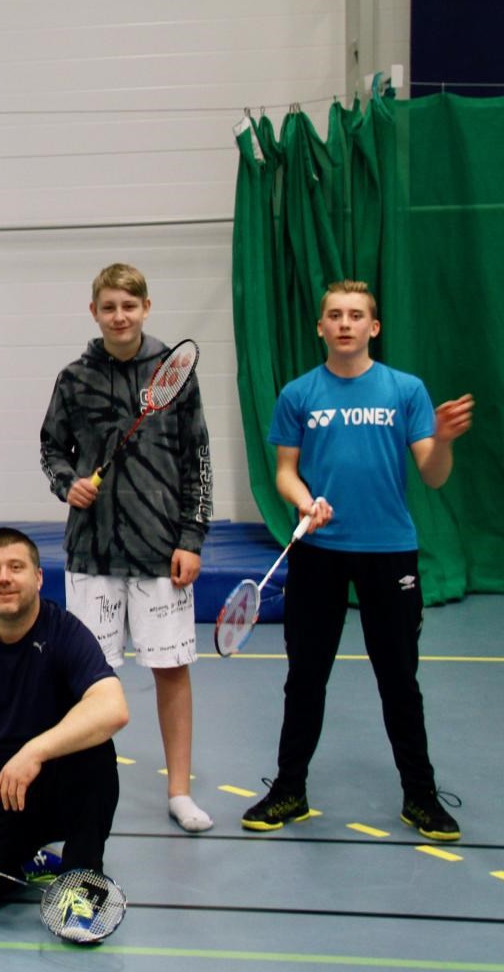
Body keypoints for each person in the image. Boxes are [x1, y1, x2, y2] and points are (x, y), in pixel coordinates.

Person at [241, 280, 473, 840]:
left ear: (374, 327)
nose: (344, 323)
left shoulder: (405, 390)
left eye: (355, 315)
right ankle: (289, 789)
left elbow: (433, 475)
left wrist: (442, 440)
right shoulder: (298, 394)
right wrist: (304, 502)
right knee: (305, 678)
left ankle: (420, 796)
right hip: (318, 554)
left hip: (389, 553)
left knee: (399, 681)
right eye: (335, 315)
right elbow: (285, 472)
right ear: (320, 326)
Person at [39, 263, 214, 833]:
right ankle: (83, 789)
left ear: (146, 307)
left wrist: (191, 538)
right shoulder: (74, 378)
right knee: (86, 678)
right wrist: (68, 483)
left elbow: (198, 460)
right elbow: (51, 449)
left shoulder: (174, 374)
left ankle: (179, 791)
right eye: (109, 307)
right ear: (95, 312)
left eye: (129, 306)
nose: (120, 316)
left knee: (171, 671)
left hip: (162, 552)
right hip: (92, 554)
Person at [0, 527, 127, 919]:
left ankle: (82, 872)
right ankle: (23, 862)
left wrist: (35, 751)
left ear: (38, 577)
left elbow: (113, 707)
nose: (4, 578)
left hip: (59, 787)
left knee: (97, 749)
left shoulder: (65, 630)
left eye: (16, 567)